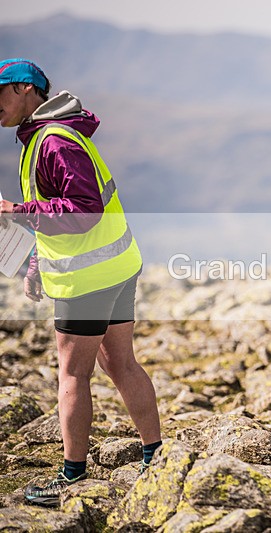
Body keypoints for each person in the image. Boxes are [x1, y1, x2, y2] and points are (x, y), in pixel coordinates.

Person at [0, 58, 162, 507]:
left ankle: (71, 476)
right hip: (116, 266)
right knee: (120, 363)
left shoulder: (53, 142)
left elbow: (83, 209)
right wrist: (36, 263)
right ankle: (155, 454)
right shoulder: (50, 137)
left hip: (87, 280)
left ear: (24, 90)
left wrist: (17, 212)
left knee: (72, 374)